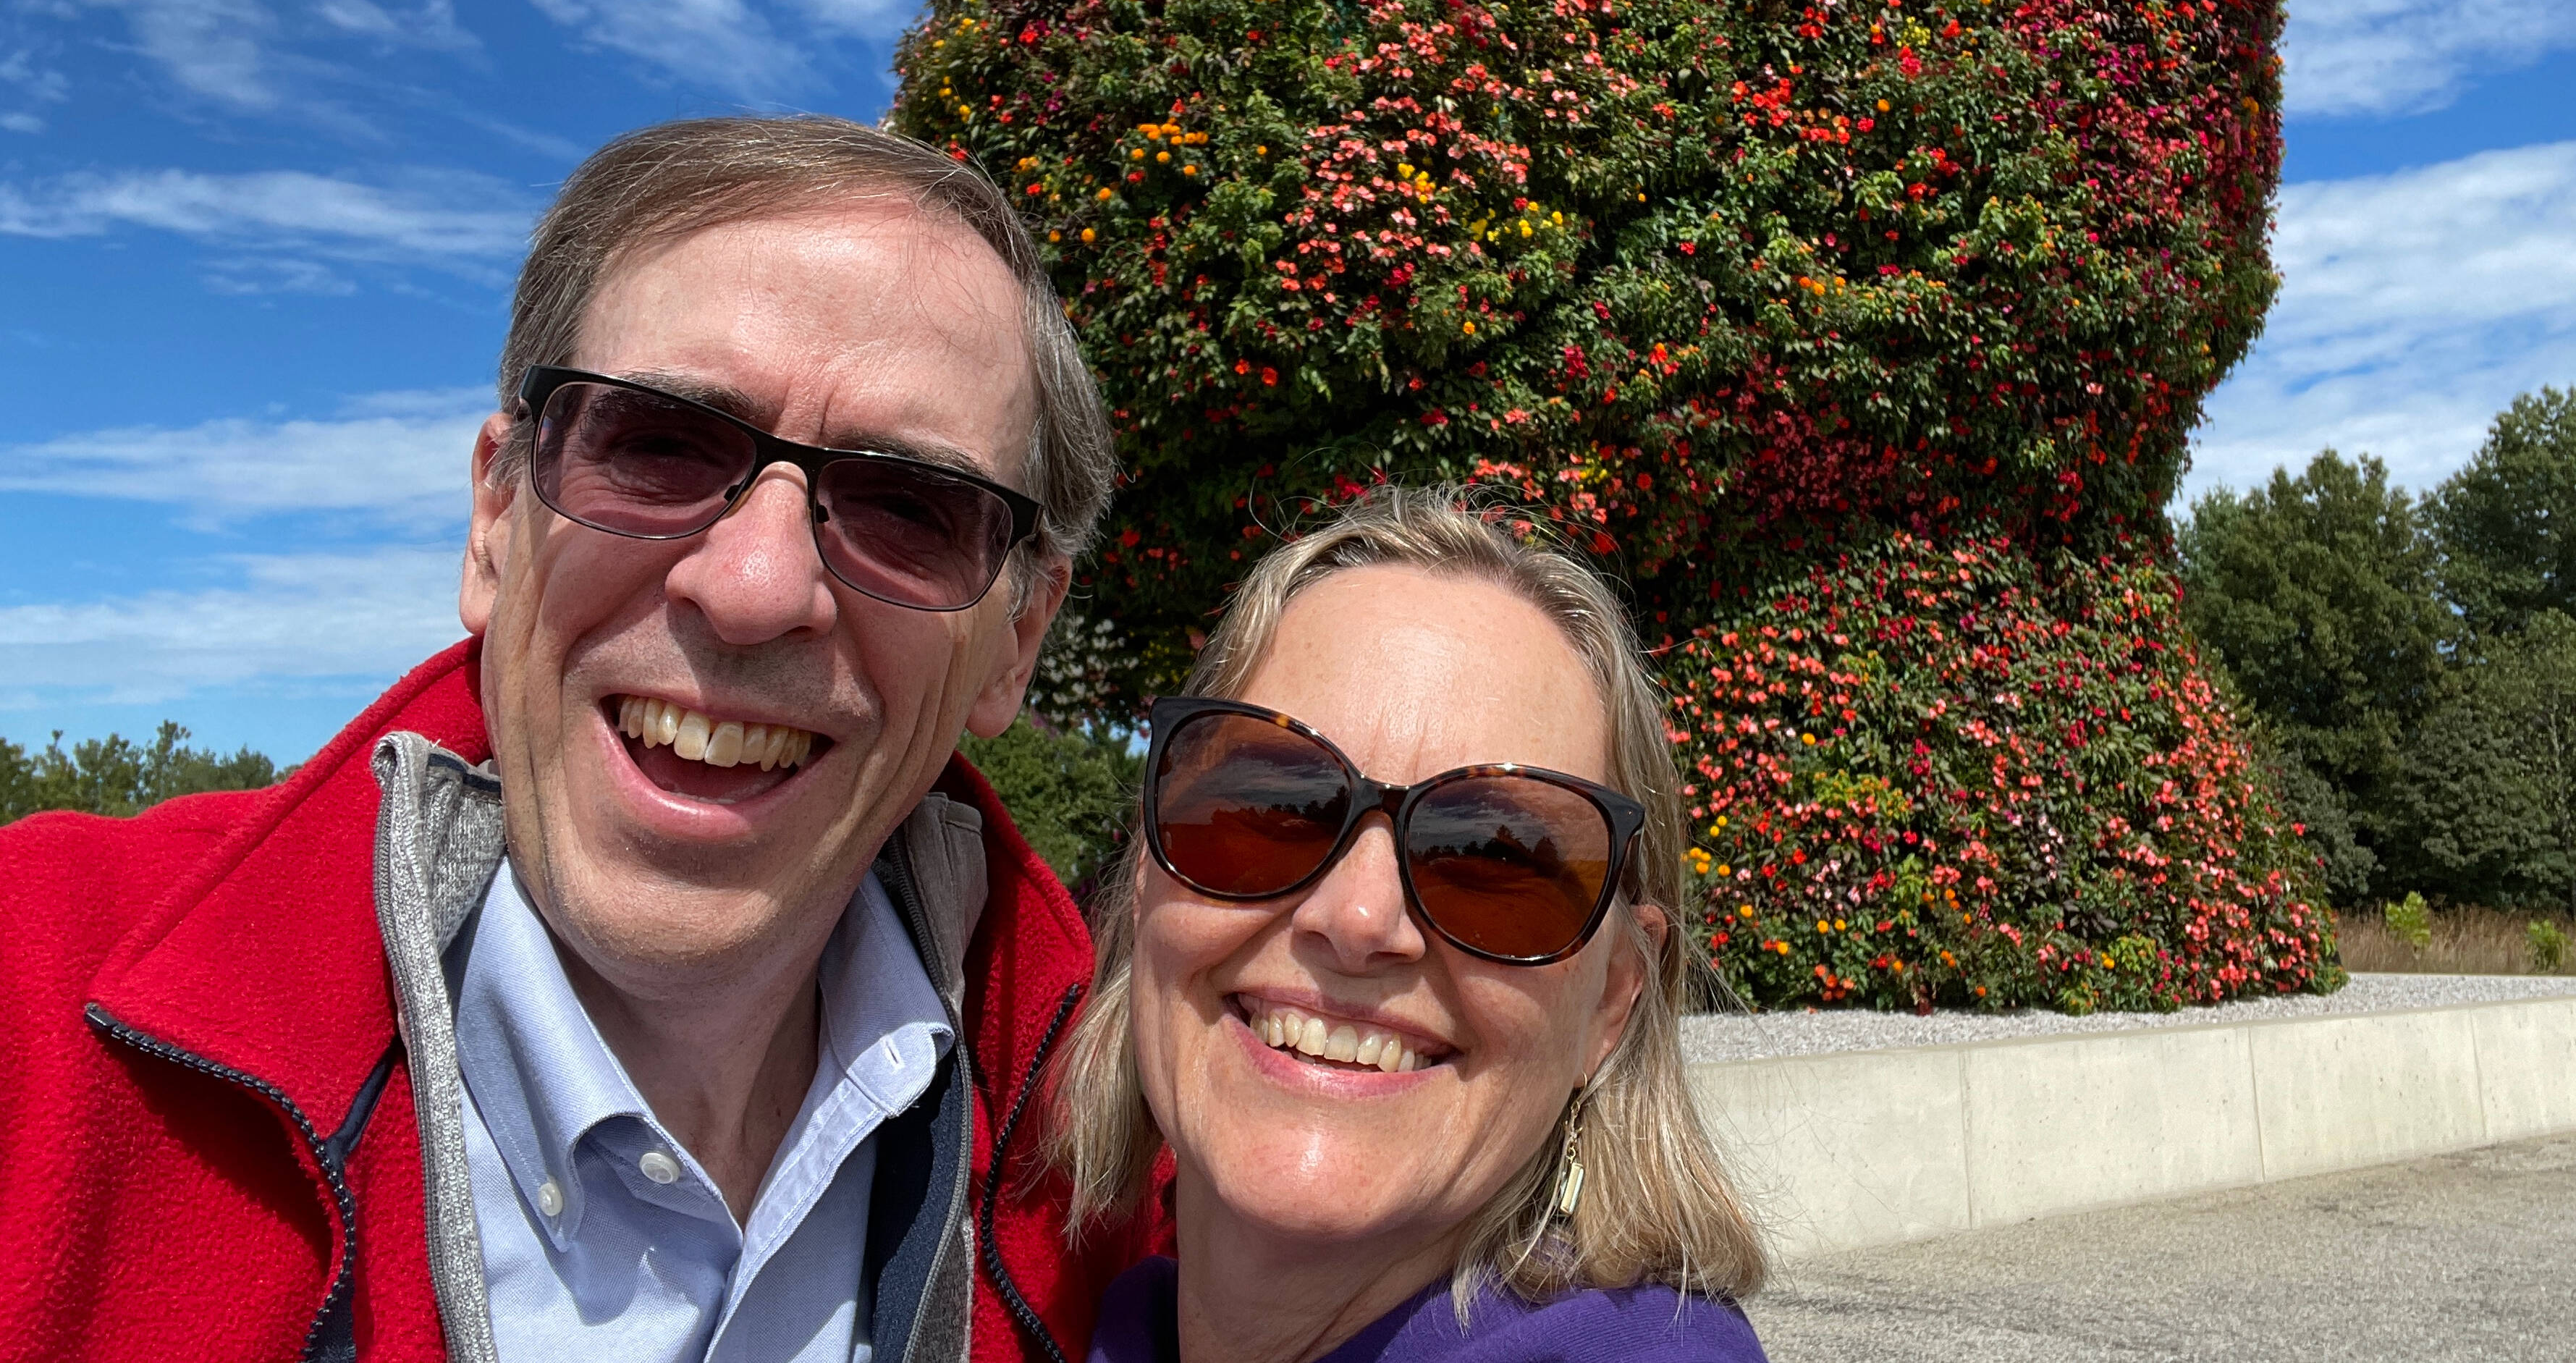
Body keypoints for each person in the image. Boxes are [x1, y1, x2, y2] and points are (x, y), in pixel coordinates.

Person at [0, 117, 1167, 1362]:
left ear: (1016, 640)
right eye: (659, 443)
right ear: (497, 519)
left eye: (909, 507)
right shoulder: (37, 1008)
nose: (757, 586)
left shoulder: (1131, 1170)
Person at [1057, 486, 1768, 1363]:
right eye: (1269, 804)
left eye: (1495, 855)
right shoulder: (1101, 1323)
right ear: (1146, 880)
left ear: (1613, 998)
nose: (1357, 919)